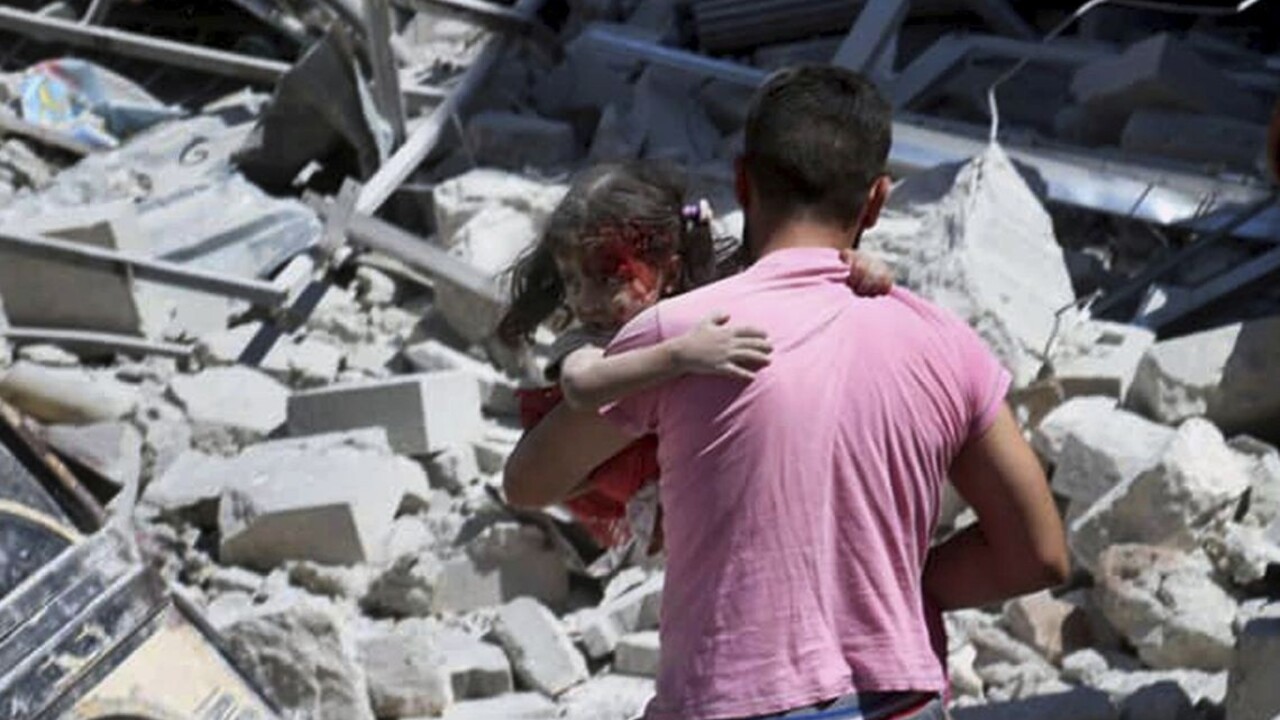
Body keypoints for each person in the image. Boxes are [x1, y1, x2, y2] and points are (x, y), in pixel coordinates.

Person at [504, 65, 1068, 720]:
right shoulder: (944, 340)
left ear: (743, 182)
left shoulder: (686, 336)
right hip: (898, 699)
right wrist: (901, 591)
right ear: (877, 201)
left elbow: (528, 483)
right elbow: (1041, 556)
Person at [497, 160, 892, 555]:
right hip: (641, 482)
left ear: (669, 272)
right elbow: (581, 385)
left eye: (608, 279)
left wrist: (856, 266)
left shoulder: (713, 292)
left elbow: (791, 278)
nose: (585, 300)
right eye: (572, 282)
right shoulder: (590, 340)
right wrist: (680, 355)